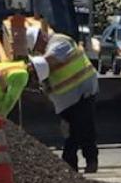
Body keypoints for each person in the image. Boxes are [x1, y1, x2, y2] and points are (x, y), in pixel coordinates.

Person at [35, 32, 100, 173]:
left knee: (83, 127)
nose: (37, 49)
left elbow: (50, 59)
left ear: (42, 37)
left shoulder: (59, 42)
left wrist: (33, 65)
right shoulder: (43, 53)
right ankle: (75, 163)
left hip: (84, 90)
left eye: (37, 45)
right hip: (68, 99)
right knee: (75, 129)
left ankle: (80, 162)